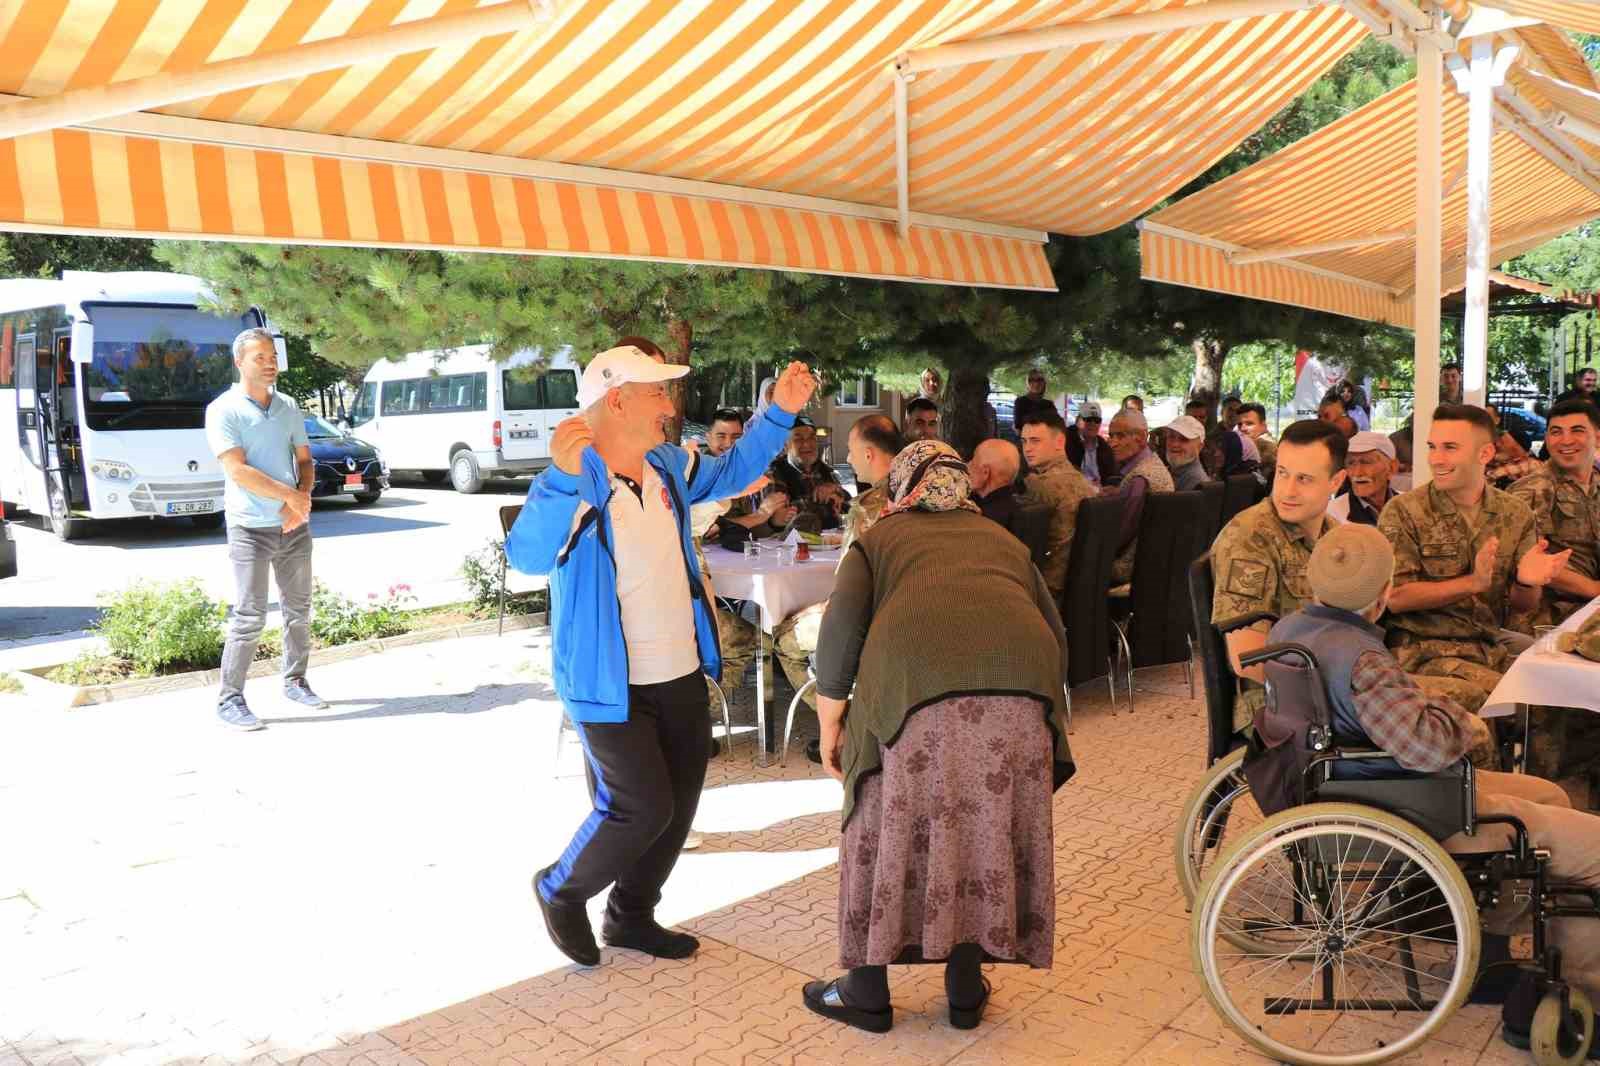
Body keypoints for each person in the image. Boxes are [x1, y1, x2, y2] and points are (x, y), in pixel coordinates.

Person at [507, 347, 817, 968]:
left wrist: (780, 412)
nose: (670, 407)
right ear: (617, 399)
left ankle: (631, 915)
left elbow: (733, 471)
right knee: (637, 806)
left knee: (677, 807)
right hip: (607, 680)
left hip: (678, 666)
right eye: (658, 395)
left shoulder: (668, 466)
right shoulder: (575, 475)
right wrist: (562, 479)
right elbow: (527, 558)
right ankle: (559, 887)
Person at [1267, 522, 1600, 1016]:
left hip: (1362, 786)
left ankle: (1495, 947)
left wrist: (1425, 704)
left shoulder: (1291, 631)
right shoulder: (1362, 660)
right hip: (1408, 807)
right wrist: (1460, 720)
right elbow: (1426, 748)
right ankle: (1582, 998)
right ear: (1383, 594)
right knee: (1590, 848)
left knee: (1547, 794)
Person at [803, 439, 1073, 1034]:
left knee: (878, 822)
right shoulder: (1005, 543)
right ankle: (964, 991)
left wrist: (831, 725)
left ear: (903, 486)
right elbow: (1055, 632)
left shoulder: (878, 540)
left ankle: (865, 992)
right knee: (982, 829)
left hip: (913, 699)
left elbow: (838, 635)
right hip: (1022, 698)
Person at [1377, 404, 1569, 715]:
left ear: (1485, 454)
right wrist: (1472, 583)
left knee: (1561, 696)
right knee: (1509, 702)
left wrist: (1526, 581)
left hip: (1488, 645)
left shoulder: (1514, 513)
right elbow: (1395, 597)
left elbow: (1524, 605)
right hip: (1422, 651)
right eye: (1432, 447)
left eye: (1450, 448)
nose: (1435, 459)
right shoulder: (1404, 512)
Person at [205, 327, 322, 732]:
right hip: (250, 527)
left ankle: (295, 680)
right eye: (261, 357)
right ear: (240, 362)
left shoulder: (288, 406)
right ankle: (230, 699)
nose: (270, 363)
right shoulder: (223, 410)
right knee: (249, 616)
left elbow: (305, 461)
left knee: (299, 611)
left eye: (273, 356)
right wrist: (291, 498)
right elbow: (237, 471)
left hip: (293, 526)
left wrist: (300, 498)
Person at [1212, 419, 1347, 732]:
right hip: (1278, 705)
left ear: (1336, 481)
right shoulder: (1250, 538)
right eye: (1283, 474)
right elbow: (1248, 659)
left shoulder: (1335, 537)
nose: (1288, 490)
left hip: (1332, 684)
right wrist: (1344, 688)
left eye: (1304, 479)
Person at [773, 415, 903, 715]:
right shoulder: (916, 491)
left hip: (869, 615)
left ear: (869, 454)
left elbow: (849, 584)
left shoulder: (870, 506)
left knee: (782, 638)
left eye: (851, 451)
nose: (848, 458)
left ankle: (843, 722)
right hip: (908, 610)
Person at [1508, 398, 1600, 779]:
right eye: (1555, 432)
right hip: (1550, 613)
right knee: (1551, 712)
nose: (1565, 441)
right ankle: (1548, 792)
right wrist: (1595, 590)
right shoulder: (1531, 490)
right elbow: (1536, 559)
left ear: (1597, 435)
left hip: (1594, 612)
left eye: (1577, 430)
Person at [1018, 408, 1096, 599]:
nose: (1027, 448)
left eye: (1035, 441)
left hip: (1046, 591)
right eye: (1024, 441)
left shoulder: (1039, 486)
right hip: (1078, 589)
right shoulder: (1080, 479)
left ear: (1059, 442)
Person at [1105, 407, 1174, 583]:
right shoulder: (1153, 465)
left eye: (1120, 436)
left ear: (1142, 438)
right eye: (1111, 436)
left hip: (1128, 572)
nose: (1112, 443)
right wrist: (1119, 493)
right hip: (1155, 565)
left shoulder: (1139, 480)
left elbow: (1118, 537)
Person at [766, 417, 844, 530]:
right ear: (785, 446)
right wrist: (826, 504)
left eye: (812, 438)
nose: (807, 444)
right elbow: (781, 517)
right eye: (798, 439)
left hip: (830, 541)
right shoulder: (775, 472)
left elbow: (848, 505)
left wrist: (835, 489)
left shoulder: (825, 470)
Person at [1328, 430, 1398, 525]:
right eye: (1351, 463)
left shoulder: (1409, 506)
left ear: (1391, 468)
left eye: (1366, 462)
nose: (1357, 473)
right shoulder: (1332, 514)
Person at [969, 437, 1024, 530]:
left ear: (985, 472)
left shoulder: (982, 519)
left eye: (973, 461)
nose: (968, 465)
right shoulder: (1021, 505)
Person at [1065, 400, 1116, 485]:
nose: (1092, 423)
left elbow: (1110, 476)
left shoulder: (1104, 447)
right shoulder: (1065, 441)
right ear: (1078, 421)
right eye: (1088, 419)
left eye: (1097, 420)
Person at [1163, 414, 1209, 490]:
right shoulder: (1174, 471)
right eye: (1171, 436)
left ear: (1200, 447)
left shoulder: (1196, 481)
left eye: (1184, 439)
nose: (1175, 444)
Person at [1237, 402, 1277, 475]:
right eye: (1239, 424)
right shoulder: (1244, 443)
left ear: (1263, 425)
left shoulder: (1269, 447)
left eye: (1249, 423)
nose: (1242, 428)